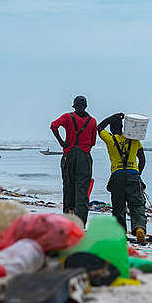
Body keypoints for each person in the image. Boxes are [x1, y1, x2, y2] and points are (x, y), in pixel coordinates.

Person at [97, 112, 147, 243]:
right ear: (123, 127)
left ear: (112, 129)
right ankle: (139, 227)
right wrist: (138, 175)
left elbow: (99, 127)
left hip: (117, 175)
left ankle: (120, 234)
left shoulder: (109, 139)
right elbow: (142, 159)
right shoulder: (135, 140)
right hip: (133, 174)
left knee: (119, 207)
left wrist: (111, 117)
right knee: (137, 205)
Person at [50, 96, 97, 224]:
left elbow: (53, 126)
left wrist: (62, 142)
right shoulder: (92, 121)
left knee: (68, 186)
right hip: (84, 157)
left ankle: (68, 218)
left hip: (69, 155)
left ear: (74, 106)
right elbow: (92, 143)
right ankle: (80, 223)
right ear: (86, 106)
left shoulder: (67, 117)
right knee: (82, 190)